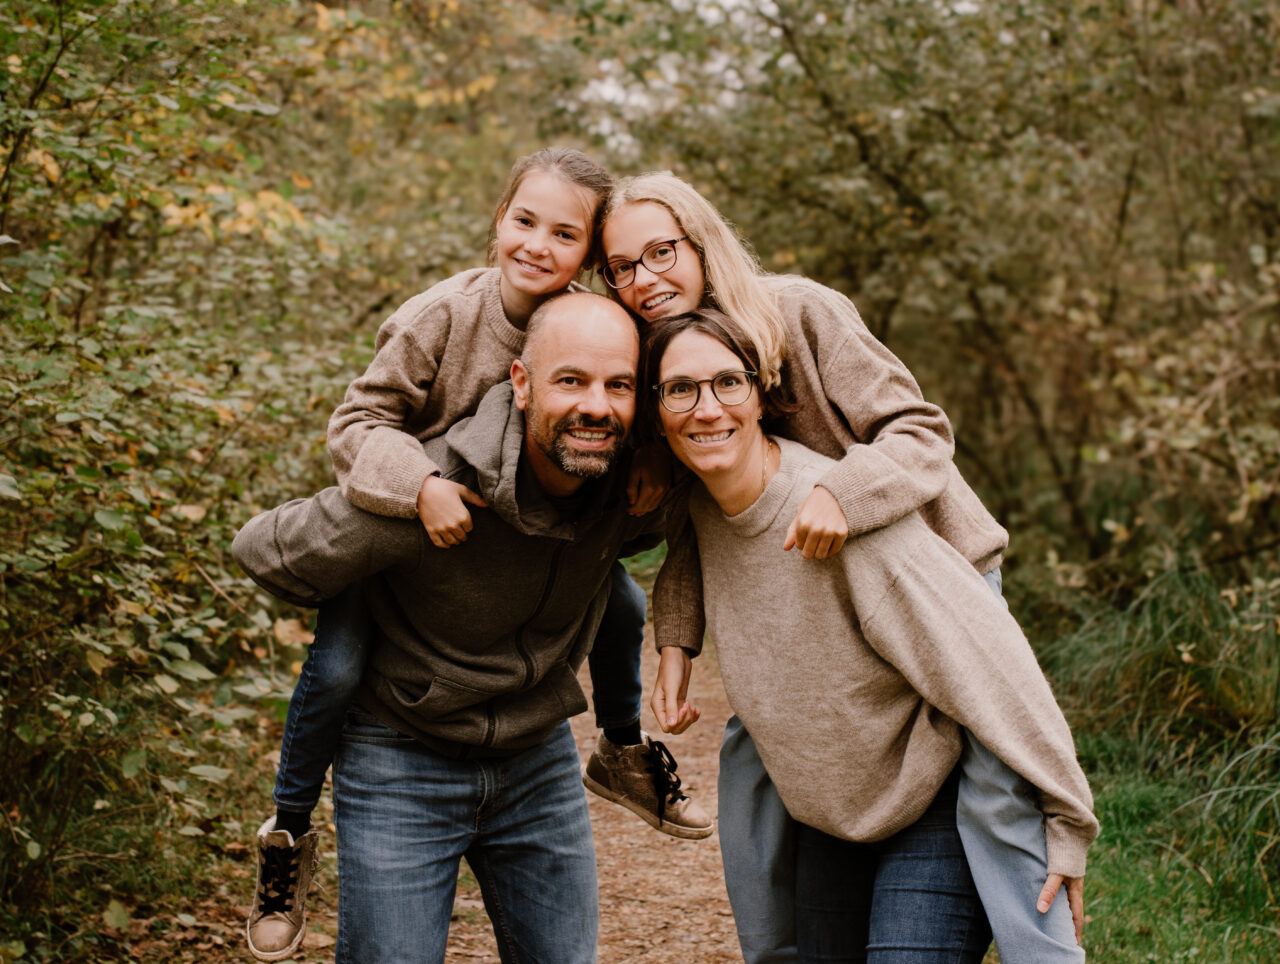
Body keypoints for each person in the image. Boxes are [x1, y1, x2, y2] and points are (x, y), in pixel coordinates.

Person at [600, 172, 1090, 963]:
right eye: (620, 267)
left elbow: (920, 432)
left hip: (930, 562)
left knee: (997, 789)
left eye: (661, 253)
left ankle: (1047, 932)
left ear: (702, 242)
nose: (642, 280)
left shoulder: (797, 310)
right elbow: (703, 516)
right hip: (810, 586)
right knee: (767, 739)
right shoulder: (674, 358)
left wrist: (844, 492)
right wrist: (678, 637)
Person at [243, 153, 710, 963]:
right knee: (343, 657)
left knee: (618, 601)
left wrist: (658, 461)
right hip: (406, 542)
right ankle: (287, 825)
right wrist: (419, 486)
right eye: (524, 222)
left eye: (565, 234)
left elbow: (703, 525)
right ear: (524, 382)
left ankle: (623, 747)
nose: (538, 244)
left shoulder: (611, 441)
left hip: (532, 752)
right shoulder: (446, 317)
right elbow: (355, 428)